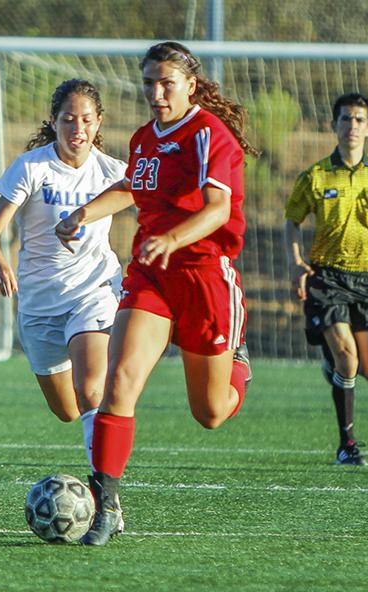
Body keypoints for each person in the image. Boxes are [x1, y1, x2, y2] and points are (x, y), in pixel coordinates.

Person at [55, 41, 258, 545]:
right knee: (119, 382)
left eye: (166, 82)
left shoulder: (211, 135)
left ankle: (239, 361)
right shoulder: (145, 137)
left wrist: (174, 236)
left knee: (210, 413)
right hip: (152, 276)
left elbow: (216, 209)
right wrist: (84, 212)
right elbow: (133, 188)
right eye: (149, 82)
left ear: (191, 85)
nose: (156, 92)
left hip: (205, 277)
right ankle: (106, 507)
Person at [0, 79, 128, 471]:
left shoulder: (113, 172)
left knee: (91, 390)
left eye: (86, 120)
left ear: (99, 123)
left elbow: (147, 196)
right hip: (40, 303)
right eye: (68, 120)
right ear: (53, 121)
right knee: (67, 409)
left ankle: (104, 492)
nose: (77, 130)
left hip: (93, 290)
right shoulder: (32, 167)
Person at [284, 92, 368, 467]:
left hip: (367, 279)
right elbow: (292, 221)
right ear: (334, 125)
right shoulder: (315, 176)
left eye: (359, 120)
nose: (352, 126)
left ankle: (333, 368)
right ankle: (347, 444)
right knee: (348, 360)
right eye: (345, 119)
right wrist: (297, 262)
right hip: (327, 277)